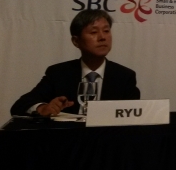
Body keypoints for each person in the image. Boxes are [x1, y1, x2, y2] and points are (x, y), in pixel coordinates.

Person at [11, 9, 140, 116]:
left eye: (106, 31)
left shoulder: (124, 77)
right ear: (76, 41)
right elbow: (20, 105)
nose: (102, 37)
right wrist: (42, 108)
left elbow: (133, 119)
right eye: (94, 32)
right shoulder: (58, 74)